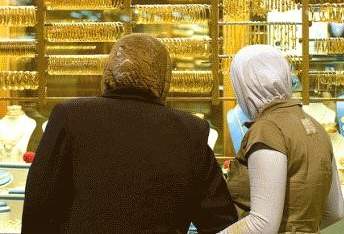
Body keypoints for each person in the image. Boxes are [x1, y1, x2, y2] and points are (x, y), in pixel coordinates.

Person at [22, 33, 237, 233]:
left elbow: (38, 205)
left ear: (106, 75)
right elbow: (220, 222)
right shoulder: (190, 132)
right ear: (165, 81)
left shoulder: (70, 117)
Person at [220, 45, 344, 233]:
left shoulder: (267, 129)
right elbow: (334, 212)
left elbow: (262, 224)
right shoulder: (315, 127)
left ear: (245, 86)